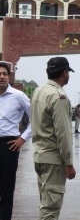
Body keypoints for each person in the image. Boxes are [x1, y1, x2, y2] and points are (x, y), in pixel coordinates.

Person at [30, 57, 77, 220]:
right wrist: (69, 163)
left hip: (40, 155)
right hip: (53, 160)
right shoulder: (58, 97)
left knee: (45, 202)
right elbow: (63, 134)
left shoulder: (38, 91)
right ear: (65, 73)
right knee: (50, 208)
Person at [0, 62, 31, 220]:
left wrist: (22, 138)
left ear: (9, 76)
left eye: (5, 74)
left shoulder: (18, 96)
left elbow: (35, 119)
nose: (2, 77)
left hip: (9, 146)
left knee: (6, 188)